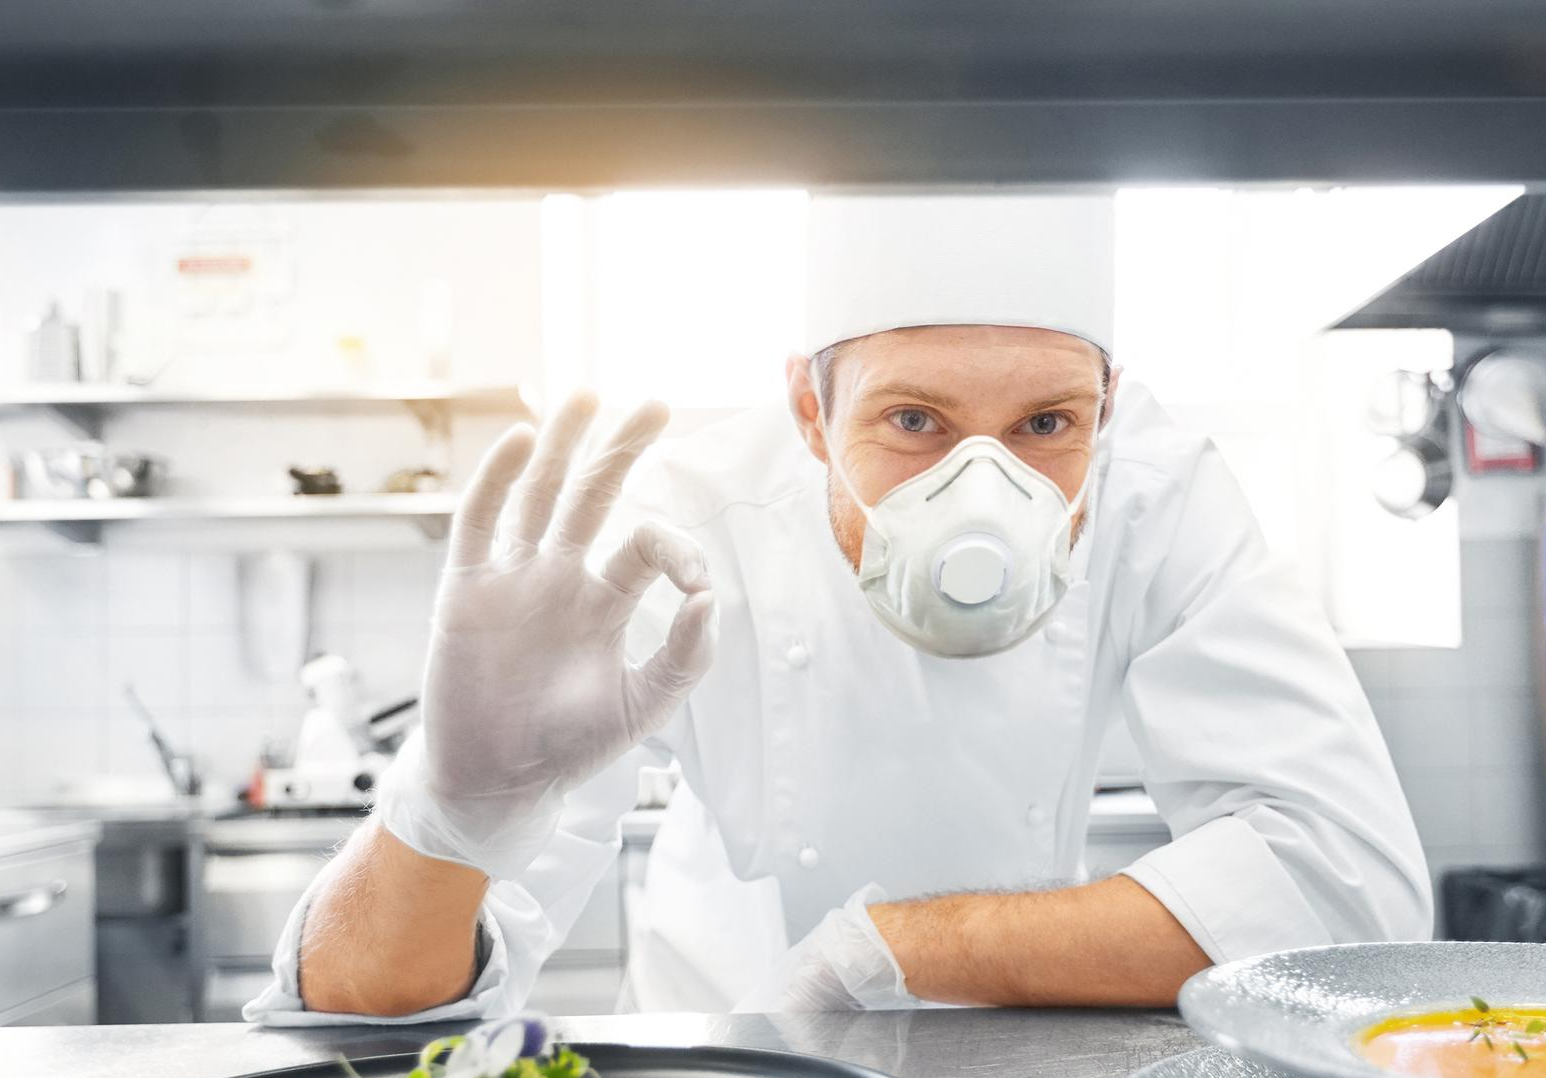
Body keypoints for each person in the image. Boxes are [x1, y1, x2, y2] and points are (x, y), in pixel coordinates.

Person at [248, 193, 1429, 1022]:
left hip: (1021, 1062)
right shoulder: (677, 530)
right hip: (719, 1071)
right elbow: (364, 1009)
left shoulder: (1158, 497)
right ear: (809, 414)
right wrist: (451, 814)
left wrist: (892, 950)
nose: (981, 495)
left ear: (1106, 408)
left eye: (1044, 424)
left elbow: (1351, 893)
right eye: (912, 421)